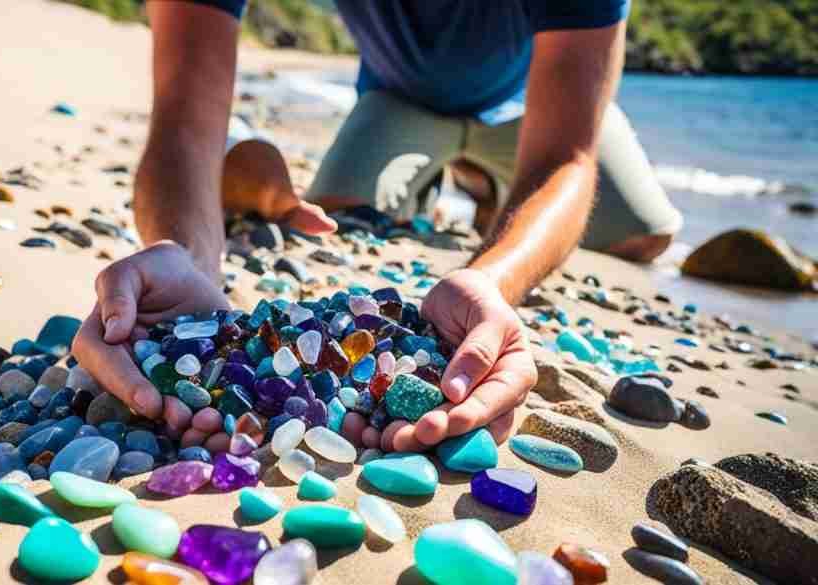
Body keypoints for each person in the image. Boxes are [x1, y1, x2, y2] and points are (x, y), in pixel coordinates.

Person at [73, 0, 684, 452]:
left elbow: (567, 158)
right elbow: (181, 120)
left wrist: (490, 279)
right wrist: (186, 258)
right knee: (347, 216)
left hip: (534, 106)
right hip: (397, 104)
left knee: (644, 232)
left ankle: (483, 183)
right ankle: (271, 184)